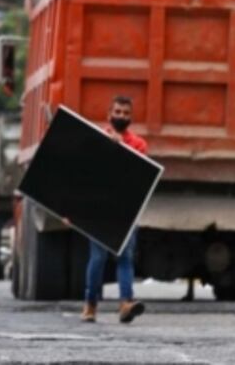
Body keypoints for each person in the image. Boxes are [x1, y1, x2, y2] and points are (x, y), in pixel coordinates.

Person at [80, 95, 147, 324]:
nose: (121, 116)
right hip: (100, 208)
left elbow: (136, 173)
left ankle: (126, 304)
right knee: (98, 258)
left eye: (126, 113)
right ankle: (90, 305)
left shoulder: (138, 144)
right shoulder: (98, 139)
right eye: (118, 112)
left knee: (125, 257)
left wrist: (121, 147)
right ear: (109, 115)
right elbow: (87, 172)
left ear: (131, 118)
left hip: (126, 209)